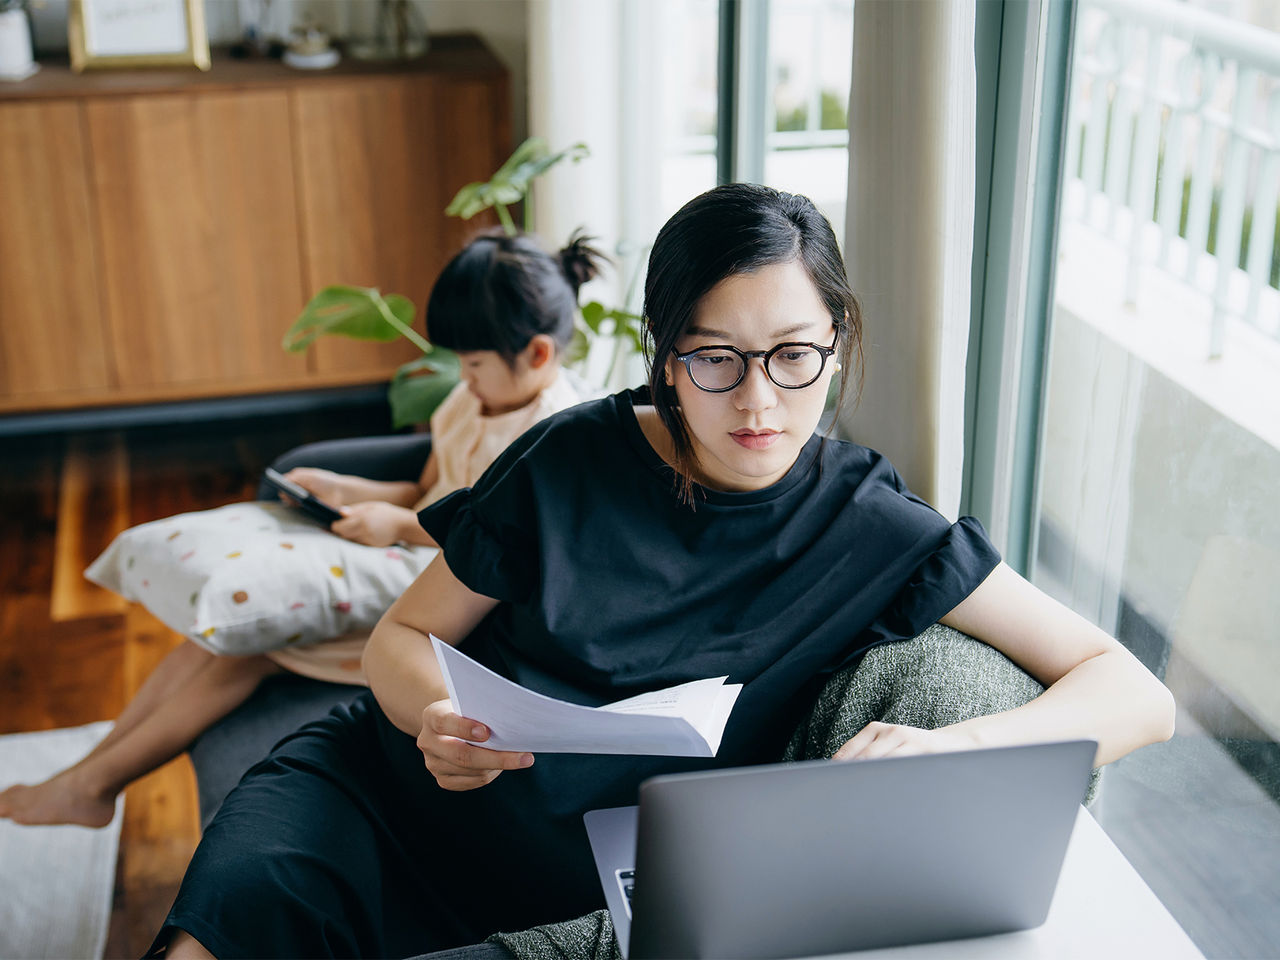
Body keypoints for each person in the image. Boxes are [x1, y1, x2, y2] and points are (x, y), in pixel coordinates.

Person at [152, 184, 1175, 960]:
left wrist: (957, 749)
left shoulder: (867, 523)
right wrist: (434, 719)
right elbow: (401, 638)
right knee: (222, 925)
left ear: (834, 342)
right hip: (392, 797)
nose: (757, 402)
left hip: (584, 887)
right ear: (664, 355)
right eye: (712, 357)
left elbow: (1134, 693)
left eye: (791, 355)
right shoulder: (569, 460)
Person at [0, 231, 603, 831]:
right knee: (211, 643)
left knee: (239, 653)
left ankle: (91, 785)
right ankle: (86, 777)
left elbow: (500, 547)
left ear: (539, 356)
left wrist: (397, 525)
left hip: (450, 604)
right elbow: (429, 489)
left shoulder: (548, 439)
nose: (462, 377)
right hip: (401, 556)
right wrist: (347, 490)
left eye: (473, 364)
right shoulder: (470, 401)